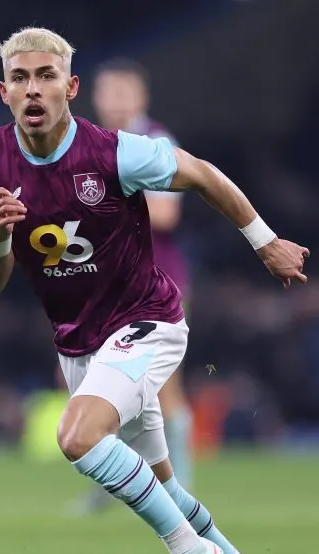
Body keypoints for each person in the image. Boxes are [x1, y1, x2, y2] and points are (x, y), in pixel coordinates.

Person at [0, 27, 309, 554]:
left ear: (71, 88)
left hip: (147, 320)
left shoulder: (115, 153)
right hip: (78, 343)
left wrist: (265, 242)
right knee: (164, 486)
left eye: (46, 76)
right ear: (4, 92)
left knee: (76, 437)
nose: (33, 89)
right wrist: (5, 236)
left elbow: (202, 174)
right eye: (20, 78)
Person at [69, 57, 195, 515]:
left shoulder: (155, 142)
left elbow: (167, 212)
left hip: (158, 280)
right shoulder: (90, 143)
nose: (117, 102)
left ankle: (181, 489)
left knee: (165, 390)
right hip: (105, 284)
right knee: (103, 386)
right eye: (109, 92)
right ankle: (110, 484)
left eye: (125, 92)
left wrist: (104, 204)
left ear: (142, 98)